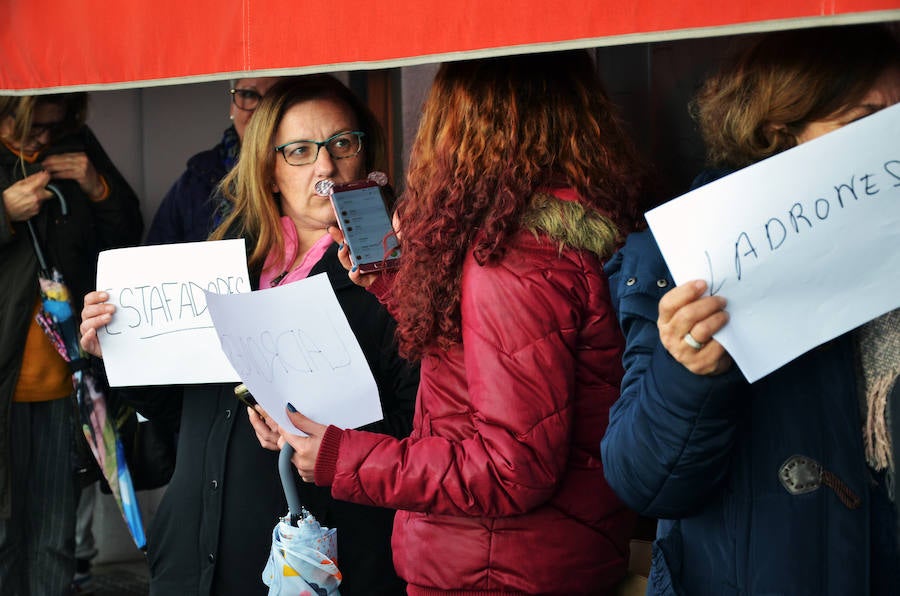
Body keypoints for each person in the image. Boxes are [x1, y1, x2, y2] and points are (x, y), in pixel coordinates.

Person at [270, 50, 645, 595]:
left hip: (495, 570)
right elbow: (492, 365)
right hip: (531, 557)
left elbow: (508, 468)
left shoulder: (514, 258)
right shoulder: (555, 233)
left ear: (466, 123)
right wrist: (398, 288)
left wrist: (341, 456)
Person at [79, 74, 418, 596]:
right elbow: (179, 413)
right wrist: (117, 351)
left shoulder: (394, 277)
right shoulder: (220, 263)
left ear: (364, 155)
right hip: (193, 558)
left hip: (322, 561)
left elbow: (420, 427)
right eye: (301, 151)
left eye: (341, 144)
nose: (325, 167)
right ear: (270, 169)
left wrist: (332, 440)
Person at [600, 24, 900, 596]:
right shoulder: (694, 253)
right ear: (780, 135)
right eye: (866, 125)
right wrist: (689, 374)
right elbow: (643, 480)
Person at [0, 92, 143, 596]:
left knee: (55, 537)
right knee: (4, 537)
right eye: (32, 128)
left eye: (53, 127)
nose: (43, 140)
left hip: (68, 382)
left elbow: (127, 233)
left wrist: (95, 185)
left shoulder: (76, 145)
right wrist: (4, 211)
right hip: (7, 382)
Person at [146, 76, 280, 244]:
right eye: (248, 94)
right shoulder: (196, 178)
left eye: (274, 97)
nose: (260, 109)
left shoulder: (304, 174)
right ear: (232, 107)